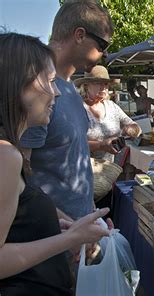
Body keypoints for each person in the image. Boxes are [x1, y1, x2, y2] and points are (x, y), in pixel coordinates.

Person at [0, 32, 112, 296]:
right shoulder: (6, 156)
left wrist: (56, 223)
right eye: (49, 82)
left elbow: (19, 221)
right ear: (19, 85)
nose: (56, 93)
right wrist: (70, 239)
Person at [20, 0, 114, 221]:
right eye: (103, 46)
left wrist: (90, 211)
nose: (104, 55)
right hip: (51, 236)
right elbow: (19, 180)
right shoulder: (38, 87)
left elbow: (73, 155)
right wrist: (68, 229)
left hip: (76, 233)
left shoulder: (68, 88)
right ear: (80, 35)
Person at [75, 65, 142, 162]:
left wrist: (130, 130)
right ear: (86, 85)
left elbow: (136, 127)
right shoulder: (77, 108)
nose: (103, 87)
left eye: (106, 84)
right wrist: (101, 145)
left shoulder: (112, 107)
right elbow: (71, 144)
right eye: (98, 83)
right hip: (82, 168)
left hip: (107, 170)